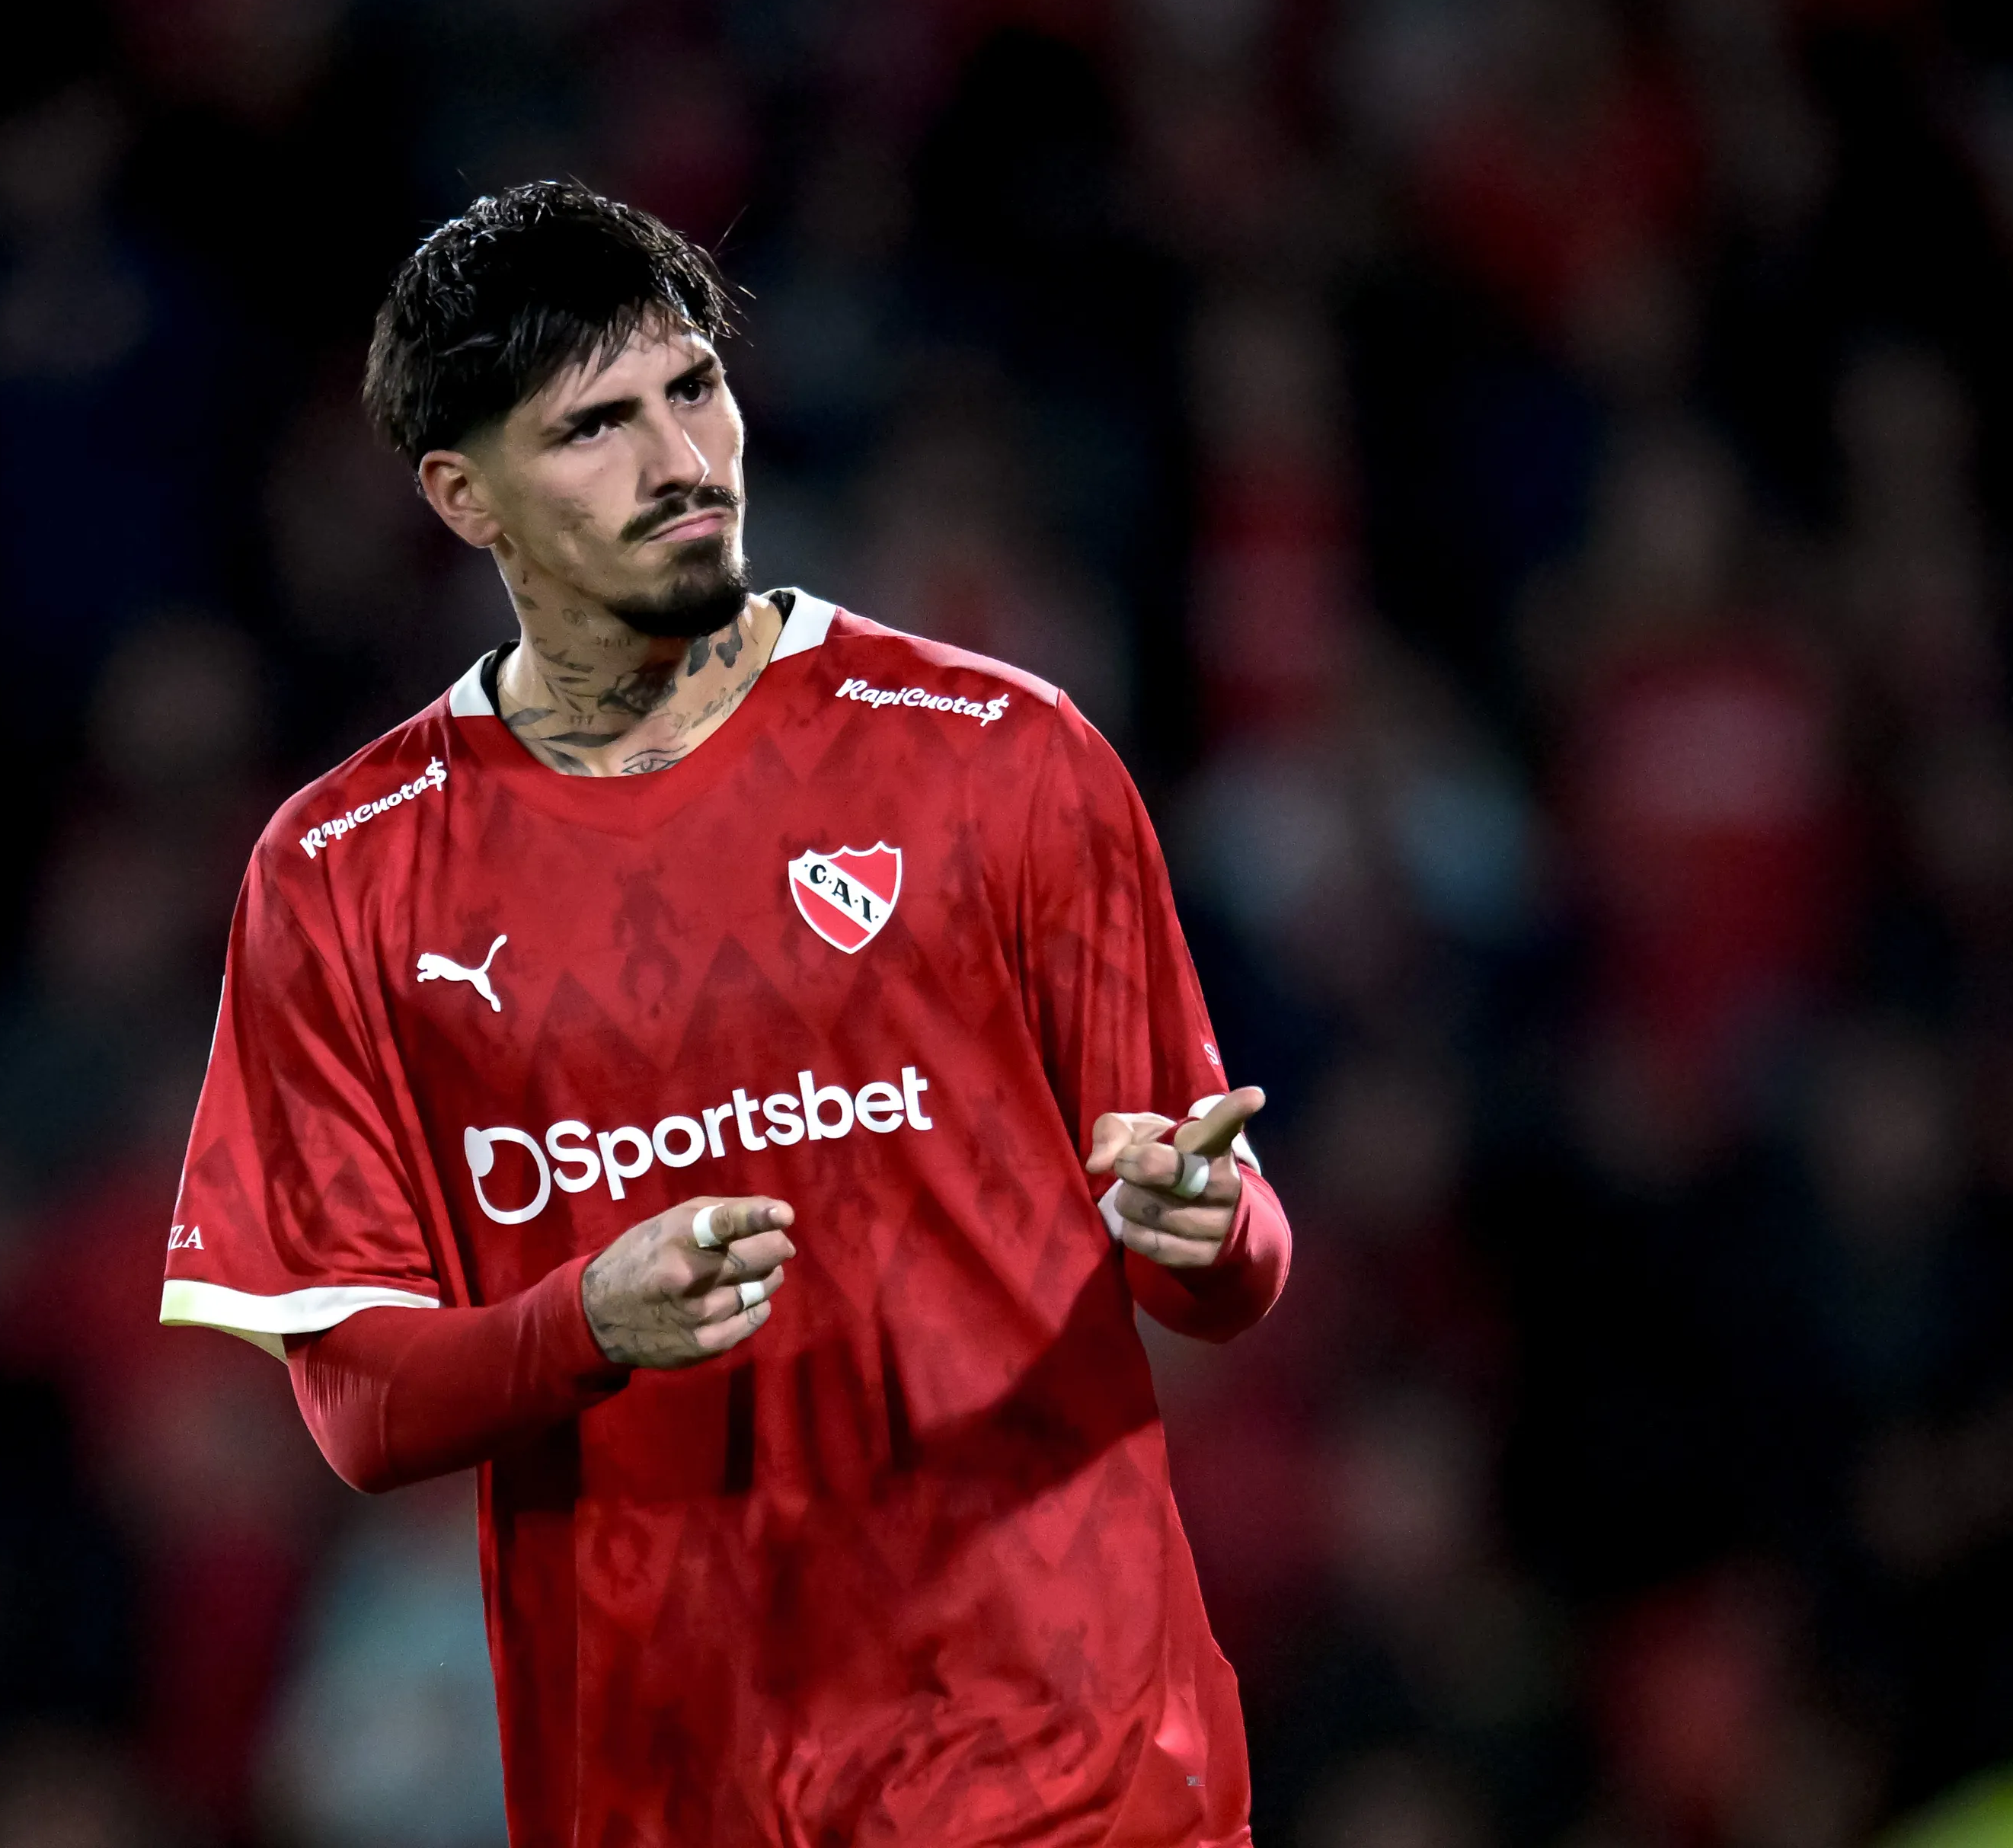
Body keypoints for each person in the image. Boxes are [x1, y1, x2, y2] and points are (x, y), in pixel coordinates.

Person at [161, 181, 1294, 1846]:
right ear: (462, 498)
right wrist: (584, 1328)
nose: (682, 461)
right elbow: (357, 1404)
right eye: (596, 428)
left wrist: (1199, 1221)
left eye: (694, 388)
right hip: (667, 1781)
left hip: (1064, 1760)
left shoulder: (998, 755)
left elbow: (1228, 1267)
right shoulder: (346, 874)